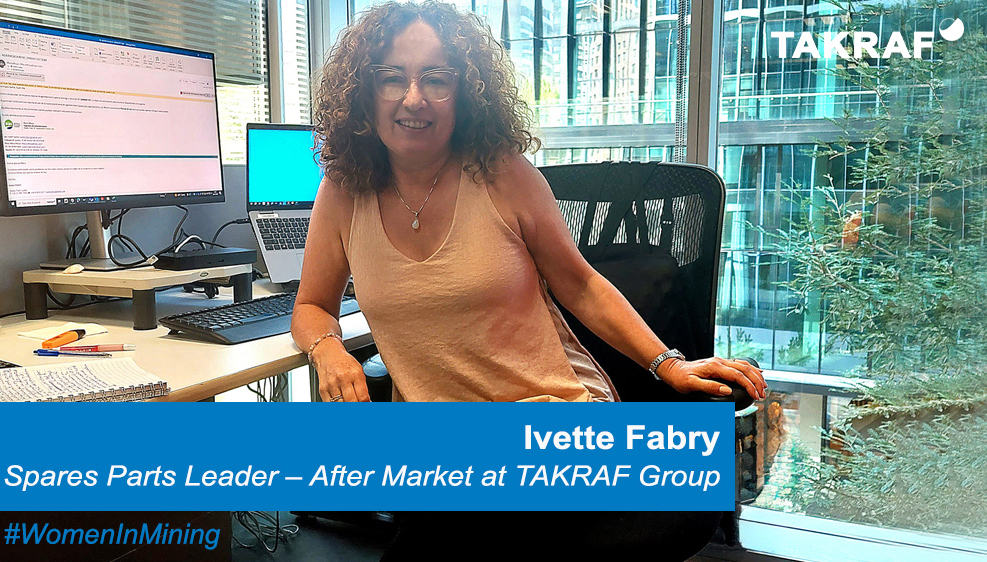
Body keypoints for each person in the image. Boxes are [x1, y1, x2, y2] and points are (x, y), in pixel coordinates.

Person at [291, 0, 765, 405]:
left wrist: (668, 364)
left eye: (436, 79)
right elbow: (311, 304)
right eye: (392, 78)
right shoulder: (344, 190)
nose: (414, 99)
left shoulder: (501, 173)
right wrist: (327, 347)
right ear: (364, 92)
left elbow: (580, 284)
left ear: (464, 94)